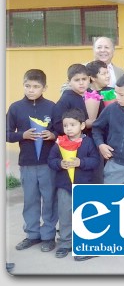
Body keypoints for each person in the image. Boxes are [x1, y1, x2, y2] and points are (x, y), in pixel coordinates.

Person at [6, 69, 58, 252]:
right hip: (27, 163)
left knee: (50, 199)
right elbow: (6, 134)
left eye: (36, 86)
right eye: (27, 86)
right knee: (30, 200)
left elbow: (62, 130)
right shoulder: (15, 108)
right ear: (23, 85)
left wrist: (52, 134)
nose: (31, 90)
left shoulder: (52, 107)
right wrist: (22, 135)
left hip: (48, 163)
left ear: (44, 87)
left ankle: (49, 235)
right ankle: (32, 234)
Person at [47, 108, 100, 261]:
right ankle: (65, 243)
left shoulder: (88, 142)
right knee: (65, 215)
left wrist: (80, 162)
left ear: (82, 126)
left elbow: (95, 161)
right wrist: (59, 163)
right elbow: (51, 160)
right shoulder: (59, 143)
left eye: (72, 124)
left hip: (84, 186)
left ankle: (83, 242)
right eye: (66, 125)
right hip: (64, 186)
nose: (69, 128)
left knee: (83, 215)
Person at [59, 37, 124, 94]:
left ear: (113, 50)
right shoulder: (82, 68)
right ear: (93, 50)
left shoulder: (120, 72)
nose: (102, 50)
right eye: (99, 47)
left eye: (106, 47)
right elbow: (64, 89)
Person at [52, 64, 92, 137]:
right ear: (69, 82)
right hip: (74, 142)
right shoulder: (65, 100)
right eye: (77, 80)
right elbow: (58, 124)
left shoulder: (95, 96)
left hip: (95, 140)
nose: (81, 83)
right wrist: (82, 126)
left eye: (84, 79)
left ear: (89, 79)